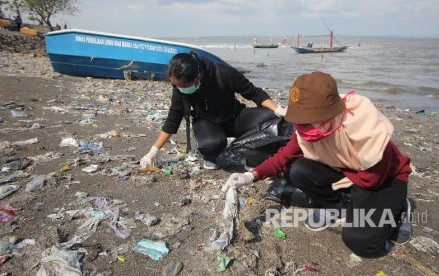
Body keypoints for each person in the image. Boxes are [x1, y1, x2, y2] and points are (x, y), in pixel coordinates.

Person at [224, 72, 412, 258]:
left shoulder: (363, 127)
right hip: (349, 172)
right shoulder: (308, 129)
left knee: (359, 241)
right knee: (299, 170)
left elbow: (371, 179)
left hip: (383, 179)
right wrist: (251, 176)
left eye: (308, 120)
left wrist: (350, 193)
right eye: (300, 120)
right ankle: (337, 206)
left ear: (330, 113)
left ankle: (399, 209)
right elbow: (283, 158)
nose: (303, 127)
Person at [140, 52, 287, 170]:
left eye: (185, 86)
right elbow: (173, 118)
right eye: (176, 85)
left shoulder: (223, 73)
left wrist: (277, 109)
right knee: (211, 144)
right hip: (207, 122)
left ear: (198, 78)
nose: (181, 89)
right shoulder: (180, 87)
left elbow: (254, 93)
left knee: (271, 117)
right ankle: (211, 156)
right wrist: (153, 151)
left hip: (234, 117)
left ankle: (250, 152)